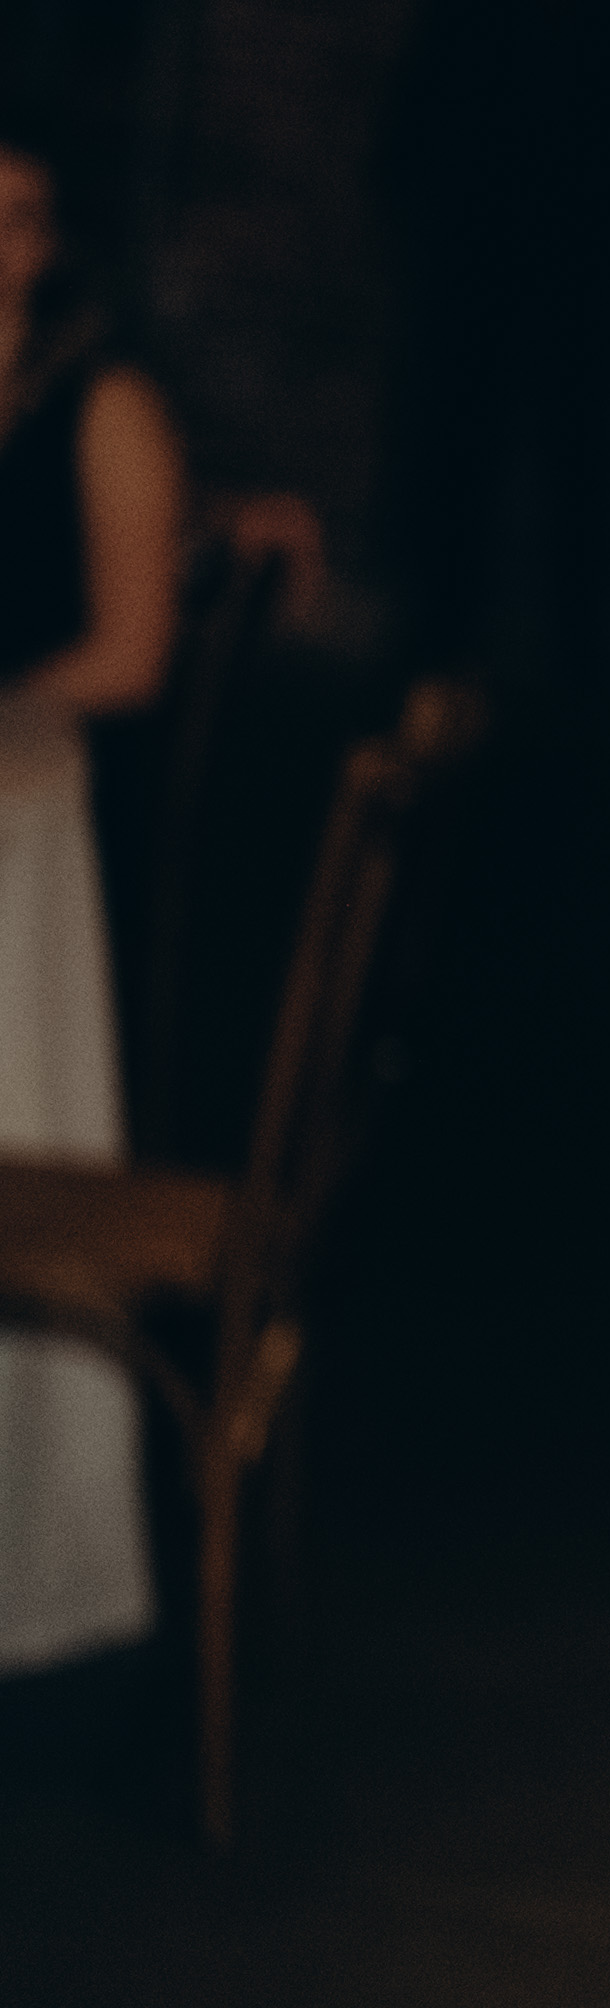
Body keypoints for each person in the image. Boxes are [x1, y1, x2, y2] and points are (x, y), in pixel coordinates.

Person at [0, 140, 182, 1680]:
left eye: (17, 217)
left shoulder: (103, 400)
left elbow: (131, 655)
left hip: (48, 802)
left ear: (56, 240)